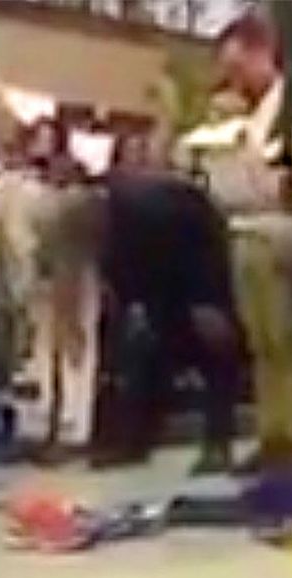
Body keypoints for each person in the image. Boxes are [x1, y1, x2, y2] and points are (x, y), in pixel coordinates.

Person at [212, 13, 292, 486]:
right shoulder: (236, 110)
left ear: (263, 53)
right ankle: (273, 434)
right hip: (248, 224)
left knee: (285, 336)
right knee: (261, 337)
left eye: (240, 68)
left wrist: (289, 180)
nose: (234, 80)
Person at [88, 172, 241, 474]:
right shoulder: (110, 223)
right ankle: (137, 441)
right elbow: (118, 267)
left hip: (197, 264)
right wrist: (129, 301)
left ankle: (217, 444)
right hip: (162, 281)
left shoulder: (154, 209)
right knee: (150, 355)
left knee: (213, 354)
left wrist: (207, 300)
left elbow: (202, 245)